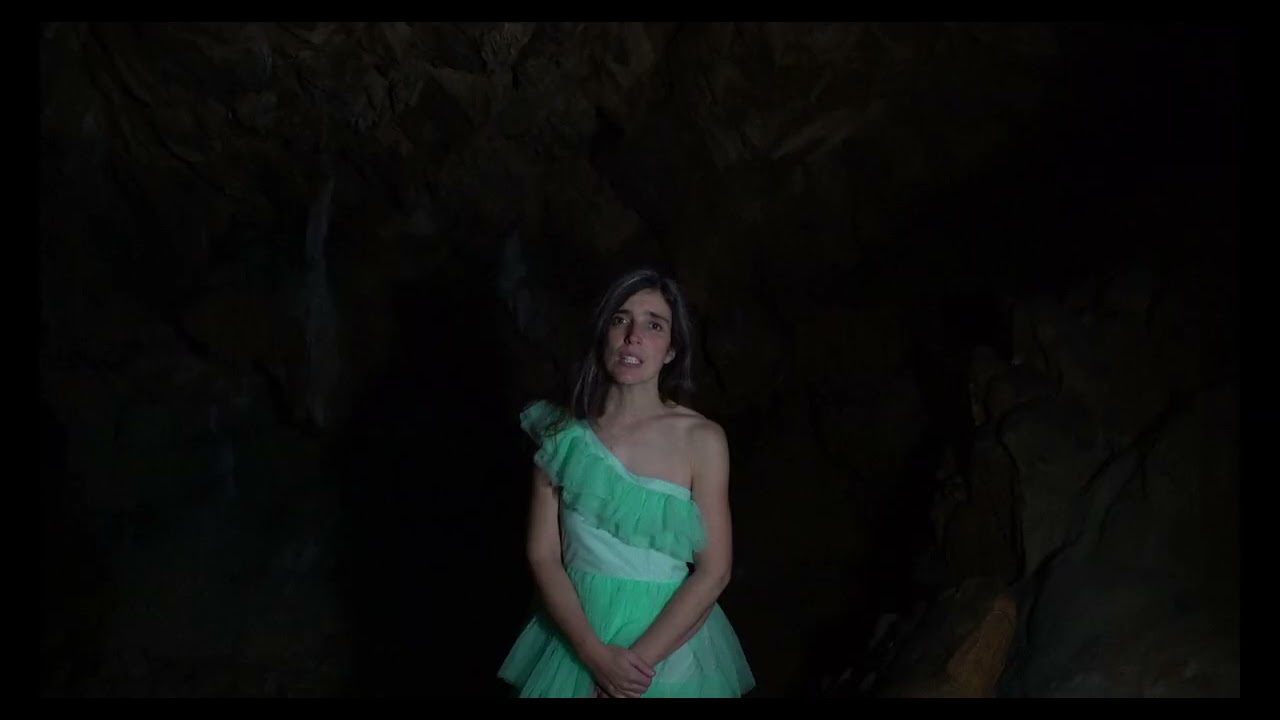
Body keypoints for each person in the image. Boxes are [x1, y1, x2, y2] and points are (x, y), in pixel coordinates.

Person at [497, 267, 756, 698]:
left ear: (671, 350)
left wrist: (634, 669)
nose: (634, 335)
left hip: (665, 642)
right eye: (621, 319)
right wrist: (593, 654)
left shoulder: (702, 439)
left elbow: (715, 570)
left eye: (654, 325)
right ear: (604, 333)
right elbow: (543, 554)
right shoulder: (561, 433)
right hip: (578, 635)